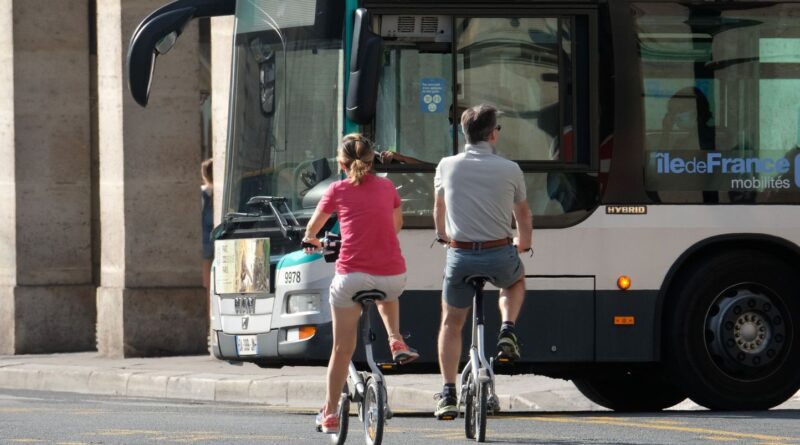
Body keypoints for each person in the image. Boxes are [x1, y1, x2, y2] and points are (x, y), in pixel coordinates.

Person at [305, 133, 420, 434]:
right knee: (386, 288)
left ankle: (329, 413)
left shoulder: (337, 190)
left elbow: (313, 228)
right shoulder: (387, 187)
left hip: (350, 277)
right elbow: (395, 226)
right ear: (372, 161)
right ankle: (396, 339)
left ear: (341, 164)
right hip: (393, 275)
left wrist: (311, 240)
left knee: (342, 349)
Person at [432, 104, 533, 420]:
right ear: (492, 134)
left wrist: (443, 236)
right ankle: (507, 328)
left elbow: (439, 211)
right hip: (499, 253)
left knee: (451, 322)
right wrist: (524, 243)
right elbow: (523, 214)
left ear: (465, 135)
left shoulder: (447, 166)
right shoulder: (510, 169)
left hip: (460, 255)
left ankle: (448, 392)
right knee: (515, 280)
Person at [200, 158, 214, 290]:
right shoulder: (221, 191)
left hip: (205, 241)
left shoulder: (203, 193)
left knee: (206, 282)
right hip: (219, 238)